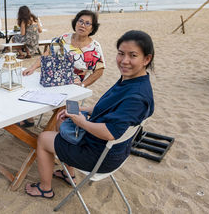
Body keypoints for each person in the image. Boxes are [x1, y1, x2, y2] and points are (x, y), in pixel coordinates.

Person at [25, 30, 155, 199]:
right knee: (61, 122)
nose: (124, 61)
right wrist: (81, 110)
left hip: (100, 157)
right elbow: (109, 109)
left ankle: (45, 188)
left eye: (133, 55)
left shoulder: (136, 96)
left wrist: (81, 122)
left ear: (147, 59)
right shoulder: (132, 80)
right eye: (121, 54)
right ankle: (68, 174)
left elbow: (110, 132)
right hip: (114, 150)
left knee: (43, 138)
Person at [19, 10, 105, 128]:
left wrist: (83, 85)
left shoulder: (94, 47)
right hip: (54, 81)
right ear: (75, 23)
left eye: (87, 23)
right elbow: (47, 55)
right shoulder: (64, 39)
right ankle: (29, 119)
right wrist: (32, 67)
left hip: (73, 87)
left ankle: (57, 136)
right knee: (27, 90)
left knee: (63, 109)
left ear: (92, 28)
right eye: (80, 21)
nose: (82, 25)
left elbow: (99, 70)